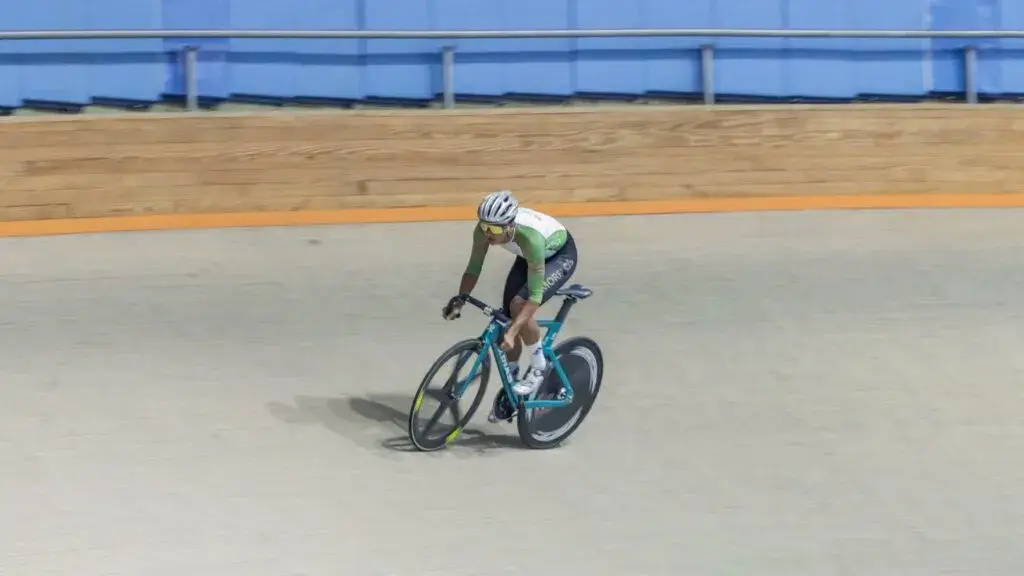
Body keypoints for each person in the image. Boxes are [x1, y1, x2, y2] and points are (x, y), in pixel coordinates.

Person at [442, 190, 579, 421]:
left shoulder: (531, 239)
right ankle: (512, 384)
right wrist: (460, 299)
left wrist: (515, 331)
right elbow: (473, 268)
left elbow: (534, 298)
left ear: (510, 226)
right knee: (504, 321)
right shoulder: (485, 231)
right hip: (527, 257)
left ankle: (539, 366)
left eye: (494, 230)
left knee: (519, 306)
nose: (488, 234)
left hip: (558, 257)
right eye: (484, 226)